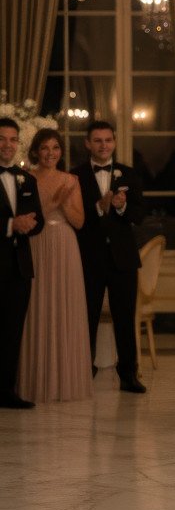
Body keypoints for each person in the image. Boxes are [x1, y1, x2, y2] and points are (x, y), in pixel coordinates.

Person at [18, 129, 92, 404]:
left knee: (64, 305)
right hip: (35, 243)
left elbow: (80, 222)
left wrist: (66, 203)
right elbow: (31, 218)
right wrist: (55, 201)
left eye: (56, 148)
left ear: (61, 151)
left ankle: (64, 380)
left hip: (64, 244)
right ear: (36, 151)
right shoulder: (25, 178)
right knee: (35, 305)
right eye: (45, 148)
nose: (51, 153)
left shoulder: (71, 180)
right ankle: (33, 381)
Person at [73, 120, 147, 394]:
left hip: (122, 259)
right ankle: (83, 372)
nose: (103, 145)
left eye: (108, 140)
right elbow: (74, 218)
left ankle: (128, 375)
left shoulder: (129, 174)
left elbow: (139, 215)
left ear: (114, 142)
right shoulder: (75, 176)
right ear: (87, 144)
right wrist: (99, 207)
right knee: (86, 318)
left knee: (125, 317)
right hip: (88, 258)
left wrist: (122, 207)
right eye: (97, 140)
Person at [0, 118, 44, 409]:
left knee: (12, 331)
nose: (8, 145)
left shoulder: (27, 179)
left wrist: (30, 224)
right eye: (2, 139)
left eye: (13, 139)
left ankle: (6, 392)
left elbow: (38, 219)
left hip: (19, 267)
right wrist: (10, 225)